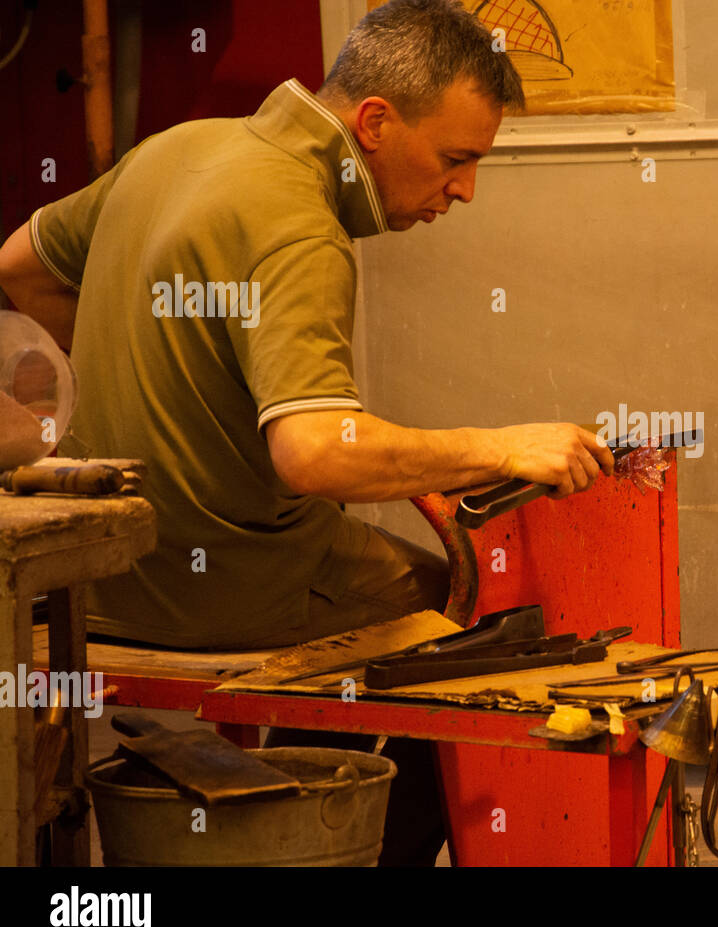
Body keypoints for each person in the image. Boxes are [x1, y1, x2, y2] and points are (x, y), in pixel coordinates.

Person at [0, 0, 613, 864]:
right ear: (374, 122)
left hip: (100, 577)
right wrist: (502, 444)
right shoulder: (300, 227)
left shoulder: (177, 149)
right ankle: (348, 849)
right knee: (465, 619)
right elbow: (317, 451)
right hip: (221, 591)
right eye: (455, 159)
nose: (465, 190)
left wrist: (150, 359)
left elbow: (19, 268)